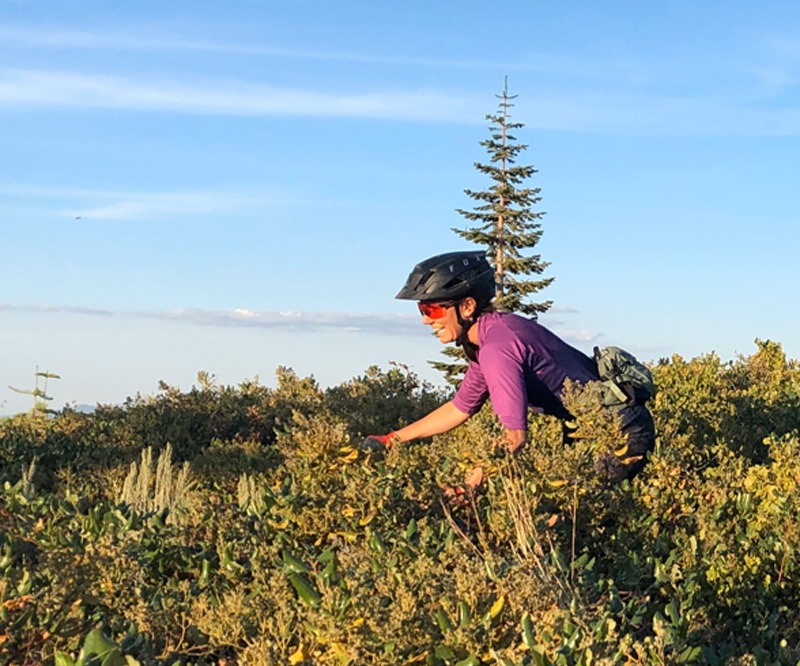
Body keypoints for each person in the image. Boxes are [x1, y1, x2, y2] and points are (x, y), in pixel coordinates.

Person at [363, 250, 656, 487]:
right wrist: (392, 439)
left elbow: (514, 438)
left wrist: (469, 486)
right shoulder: (489, 337)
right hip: (588, 425)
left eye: (433, 309)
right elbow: (459, 408)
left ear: (467, 307)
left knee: (569, 519)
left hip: (617, 428)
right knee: (565, 515)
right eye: (422, 310)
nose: (426, 320)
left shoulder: (497, 348)